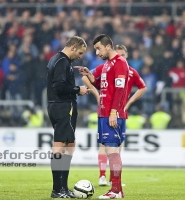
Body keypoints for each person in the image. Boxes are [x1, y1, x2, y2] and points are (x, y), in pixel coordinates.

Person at [78, 44, 146, 188]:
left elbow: (143, 87)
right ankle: (103, 176)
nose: (118, 57)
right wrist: (97, 95)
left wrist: (129, 102)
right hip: (109, 111)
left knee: (117, 146)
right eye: (117, 54)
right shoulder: (106, 67)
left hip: (120, 112)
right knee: (106, 144)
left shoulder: (131, 72)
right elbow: (86, 79)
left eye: (121, 55)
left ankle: (113, 180)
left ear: (125, 56)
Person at [75, 35, 129, 199]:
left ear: (108, 46)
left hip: (112, 113)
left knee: (113, 150)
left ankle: (115, 190)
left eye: (99, 48)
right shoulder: (106, 66)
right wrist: (90, 76)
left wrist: (113, 112)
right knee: (110, 150)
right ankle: (117, 189)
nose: (97, 52)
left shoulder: (120, 63)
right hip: (103, 113)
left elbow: (119, 90)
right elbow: (101, 85)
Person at [46, 36, 89, 198]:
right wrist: (78, 89)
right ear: (72, 47)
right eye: (80, 52)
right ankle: (58, 189)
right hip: (63, 106)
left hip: (58, 106)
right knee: (61, 146)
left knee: (69, 145)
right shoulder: (62, 62)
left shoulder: (57, 60)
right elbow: (59, 86)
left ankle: (62, 187)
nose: (80, 56)